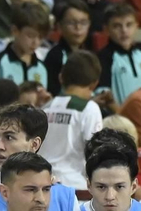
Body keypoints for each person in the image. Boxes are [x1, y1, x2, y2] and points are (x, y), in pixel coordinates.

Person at [40, 51, 105, 189]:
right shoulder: (89, 108)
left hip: (42, 184)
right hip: (74, 186)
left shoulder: (45, 108)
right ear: (94, 84)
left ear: (61, 78)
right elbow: (95, 154)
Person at [0, 1, 49, 92]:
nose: (36, 42)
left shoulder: (42, 67)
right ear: (15, 31)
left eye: (40, 37)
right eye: (30, 35)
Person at [96, 2, 141, 107]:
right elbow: (104, 94)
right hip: (117, 119)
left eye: (129, 25)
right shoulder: (104, 57)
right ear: (106, 30)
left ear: (136, 26)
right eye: (117, 26)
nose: (124, 31)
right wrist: (122, 118)